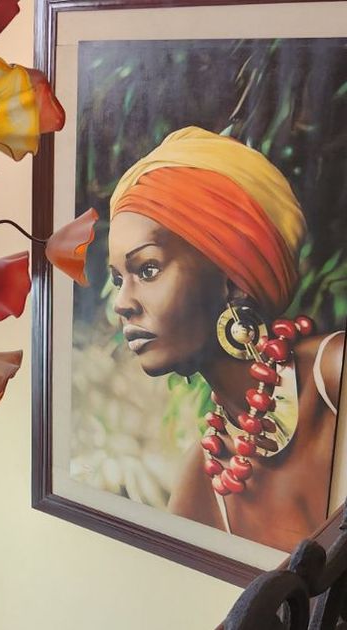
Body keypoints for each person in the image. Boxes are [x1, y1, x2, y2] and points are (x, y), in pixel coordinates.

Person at [106, 126, 345, 552]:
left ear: (232, 279)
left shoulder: (334, 376)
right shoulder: (203, 480)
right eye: (117, 279)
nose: (122, 303)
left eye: (147, 269)